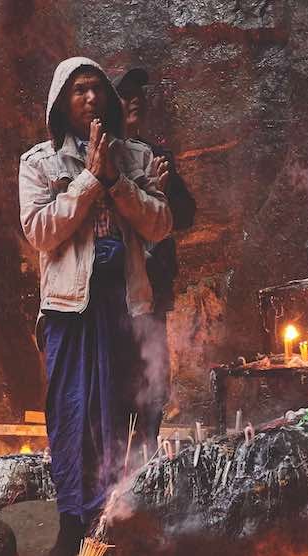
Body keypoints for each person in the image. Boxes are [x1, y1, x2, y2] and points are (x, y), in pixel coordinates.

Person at [19, 57, 172, 556]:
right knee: (72, 414)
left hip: (125, 304)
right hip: (69, 309)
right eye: (79, 91)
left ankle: (117, 524)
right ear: (62, 103)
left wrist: (118, 183)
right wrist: (88, 181)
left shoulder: (138, 157)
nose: (90, 99)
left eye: (96, 90)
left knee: (123, 415)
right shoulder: (38, 163)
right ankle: (71, 523)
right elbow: (40, 232)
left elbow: (160, 226)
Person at [113, 67, 197, 449]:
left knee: (154, 382)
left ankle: (144, 465)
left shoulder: (156, 155)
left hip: (154, 292)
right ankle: (115, 472)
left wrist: (162, 194)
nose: (135, 100)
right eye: (124, 93)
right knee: (120, 384)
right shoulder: (100, 159)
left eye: (138, 93)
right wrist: (145, 196)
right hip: (113, 295)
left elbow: (187, 213)